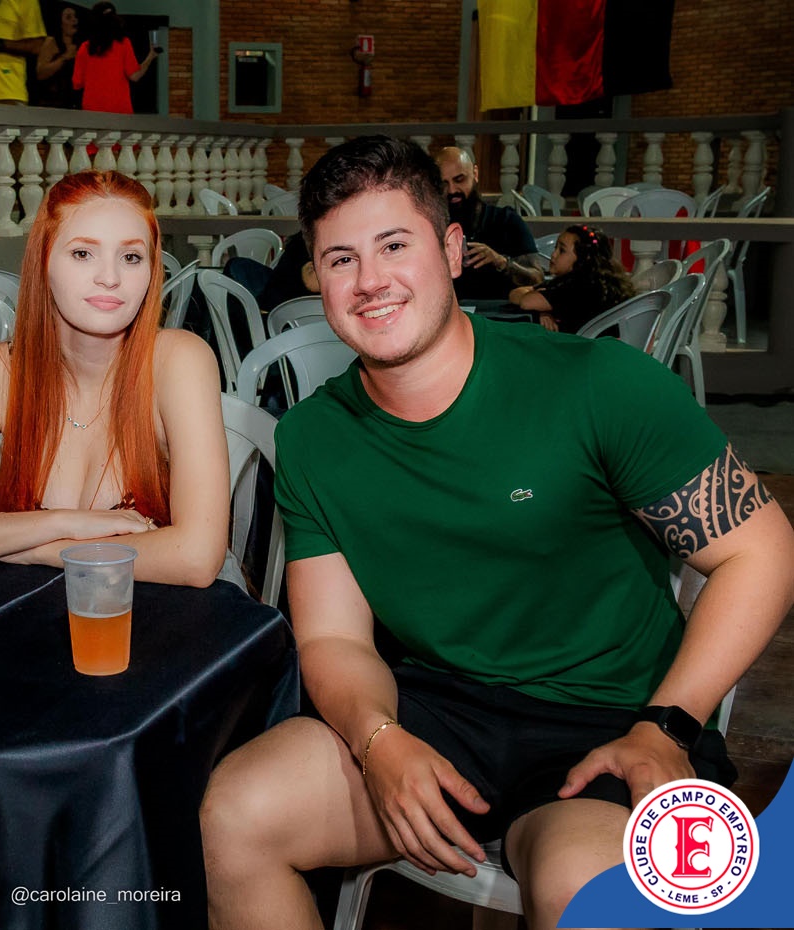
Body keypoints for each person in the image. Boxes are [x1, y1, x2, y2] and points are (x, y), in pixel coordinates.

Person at [199, 136, 794, 930]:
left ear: (451, 250)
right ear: (317, 277)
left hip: (615, 715)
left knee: (585, 891)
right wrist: (378, 741)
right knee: (236, 815)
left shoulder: (595, 384)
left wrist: (667, 724)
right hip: (438, 707)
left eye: (393, 245)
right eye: (340, 259)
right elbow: (335, 639)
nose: (369, 280)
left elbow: (760, 551)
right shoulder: (312, 437)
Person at [0, 170, 229, 588]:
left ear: (152, 271)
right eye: (83, 253)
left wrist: (43, 551)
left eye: (131, 257)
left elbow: (196, 558)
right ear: (43, 262)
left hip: (165, 615)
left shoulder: (178, 360)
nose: (110, 277)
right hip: (39, 610)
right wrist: (65, 524)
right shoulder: (1, 372)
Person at [435, 146, 543, 301]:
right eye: (444, 184)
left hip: (498, 313)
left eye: (459, 180)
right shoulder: (432, 226)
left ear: (475, 174)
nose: (452, 190)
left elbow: (537, 279)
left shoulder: (506, 221)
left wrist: (501, 262)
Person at [509, 224, 636, 334]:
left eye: (562, 250)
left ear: (583, 258)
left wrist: (541, 306)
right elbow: (516, 293)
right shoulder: (599, 279)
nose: (554, 254)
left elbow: (527, 302)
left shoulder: (583, 286)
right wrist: (544, 311)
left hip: (590, 350)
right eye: (555, 248)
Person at [72, 1, 158, 115]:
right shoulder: (124, 43)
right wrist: (150, 56)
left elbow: (77, 83)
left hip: (92, 110)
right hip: (120, 110)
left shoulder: (85, 47)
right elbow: (135, 76)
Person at [30, 3, 82, 109]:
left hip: (71, 106)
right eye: (68, 17)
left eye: (75, 16)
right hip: (50, 105)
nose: (74, 20)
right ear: (60, 24)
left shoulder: (81, 46)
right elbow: (40, 73)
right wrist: (64, 58)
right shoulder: (51, 42)